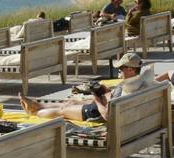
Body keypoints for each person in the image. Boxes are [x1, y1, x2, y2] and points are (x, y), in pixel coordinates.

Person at [20, 52, 150, 123]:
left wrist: (96, 95)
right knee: (71, 102)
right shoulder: (137, 83)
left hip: (96, 113)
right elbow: (114, 99)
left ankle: (34, 112)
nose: (119, 71)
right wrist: (104, 90)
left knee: (63, 110)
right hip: (106, 105)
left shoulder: (127, 88)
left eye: (121, 68)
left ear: (131, 70)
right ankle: (37, 105)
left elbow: (107, 115)